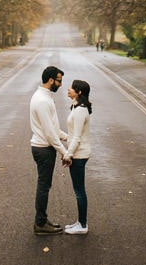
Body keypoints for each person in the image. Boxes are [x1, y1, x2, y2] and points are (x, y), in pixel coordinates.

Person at [29, 65, 69, 235]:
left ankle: (43, 220)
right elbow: (49, 133)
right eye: (59, 80)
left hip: (44, 146)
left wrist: (67, 137)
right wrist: (64, 152)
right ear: (51, 80)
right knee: (44, 186)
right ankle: (40, 223)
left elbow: (53, 128)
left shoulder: (43, 97)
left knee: (44, 185)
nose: (60, 84)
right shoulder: (43, 100)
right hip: (44, 149)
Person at [62, 79, 93, 235]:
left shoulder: (80, 110)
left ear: (79, 92)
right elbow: (73, 135)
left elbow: (77, 138)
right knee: (78, 189)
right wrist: (61, 136)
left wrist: (68, 155)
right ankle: (80, 222)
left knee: (79, 190)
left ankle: (82, 225)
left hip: (79, 154)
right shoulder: (76, 107)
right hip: (78, 152)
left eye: (72, 88)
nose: (68, 89)